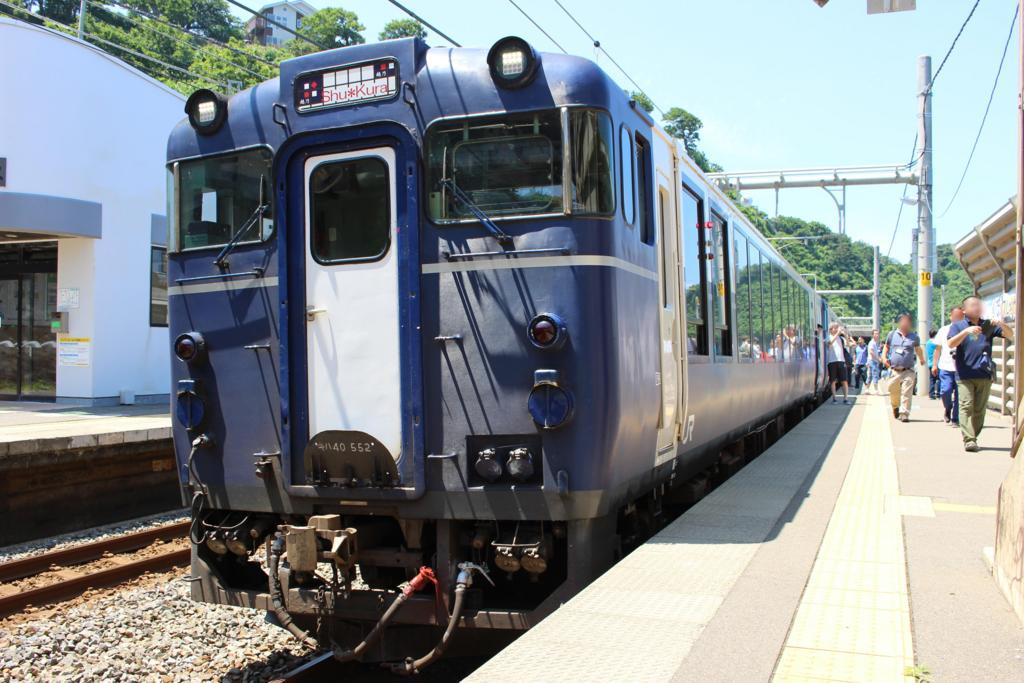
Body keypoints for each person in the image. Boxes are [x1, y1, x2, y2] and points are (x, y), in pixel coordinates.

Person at [946, 295, 1015, 452]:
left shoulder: (988, 325)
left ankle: (973, 436)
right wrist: (966, 331)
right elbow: (950, 343)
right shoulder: (958, 325)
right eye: (973, 305)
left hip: (984, 373)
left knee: (979, 409)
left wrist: (1001, 324)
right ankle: (969, 440)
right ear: (964, 310)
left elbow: (1010, 335)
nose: (977, 307)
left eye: (978, 305)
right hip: (964, 374)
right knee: (966, 405)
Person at [882, 313, 926, 422]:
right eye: (903, 321)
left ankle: (904, 413)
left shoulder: (914, 337)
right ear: (899, 322)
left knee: (907, 392)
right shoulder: (891, 335)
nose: (905, 323)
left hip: (908, 369)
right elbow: (886, 348)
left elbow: (918, 349)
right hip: (894, 369)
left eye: (907, 321)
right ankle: (895, 406)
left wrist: (921, 359)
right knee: (893, 389)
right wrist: (883, 358)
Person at [932, 306, 964, 427]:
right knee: (945, 391)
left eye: (960, 316)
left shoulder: (966, 330)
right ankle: (948, 408)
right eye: (955, 316)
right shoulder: (943, 330)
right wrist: (934, 365)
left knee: (959, 395)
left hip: (961, 368)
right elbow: (937, 349)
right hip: (945, 366)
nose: (957, 318)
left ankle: (955, 418)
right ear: (950, 316)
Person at [826, 323, 849, 404]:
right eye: (834, 328)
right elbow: (830, 343)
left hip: (841, 360)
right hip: (832, 361)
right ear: (831, 329)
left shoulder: (841, 338)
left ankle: (846, 398)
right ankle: (834, 398)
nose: (836, 329)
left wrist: (845, 335)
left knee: (844, 380)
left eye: (837, 328)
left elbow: (848, 345)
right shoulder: (828, 337)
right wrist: (837, 334)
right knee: (833, 381)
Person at [866, 329, 882, 394]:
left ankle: (867, 389)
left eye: (877, 333)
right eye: (875, 333)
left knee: (870, 375)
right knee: (875, 375)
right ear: (872, 335)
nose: (877, 335)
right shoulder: (872, 343)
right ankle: (876, 390)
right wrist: (878, 359)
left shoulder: (874, 343)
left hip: (872, 361)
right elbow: (871, 352)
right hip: (872, 361)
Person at [924, 330, 939, 399]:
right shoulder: (935, 343)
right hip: (937, 363)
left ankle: (931, 394)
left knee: (932, 379)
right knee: (939, 379)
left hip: (930, 363)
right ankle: (939, 393)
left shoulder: (927, 343)